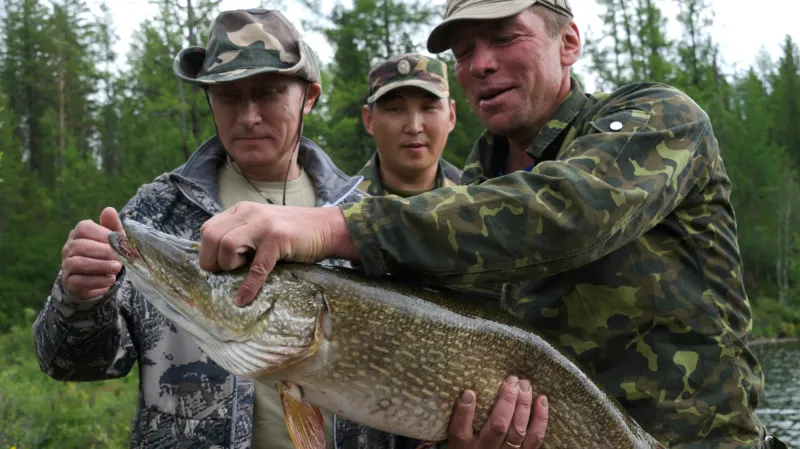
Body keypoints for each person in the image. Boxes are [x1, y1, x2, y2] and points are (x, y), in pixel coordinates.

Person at [194, 1, 790, 448]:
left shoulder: (658, 119)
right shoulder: (465, 193)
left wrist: (332, 226)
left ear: (569, 42)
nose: (480, 64)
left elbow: (562, 212)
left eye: (506, 37)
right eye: (463, 52)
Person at [32, 9, 365, 449]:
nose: (248, 116)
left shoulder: (361, 218)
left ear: (309, 96)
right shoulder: (159, 212)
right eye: (228, 96)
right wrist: (79, 299)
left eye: (267, 93)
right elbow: (70, 364)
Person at [356, 53, 463, 197]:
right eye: (395, 109)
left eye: (428, 108)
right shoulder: (338, 209)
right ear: (369, 120)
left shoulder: (479, 201)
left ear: (451, 116)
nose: (414, 127)